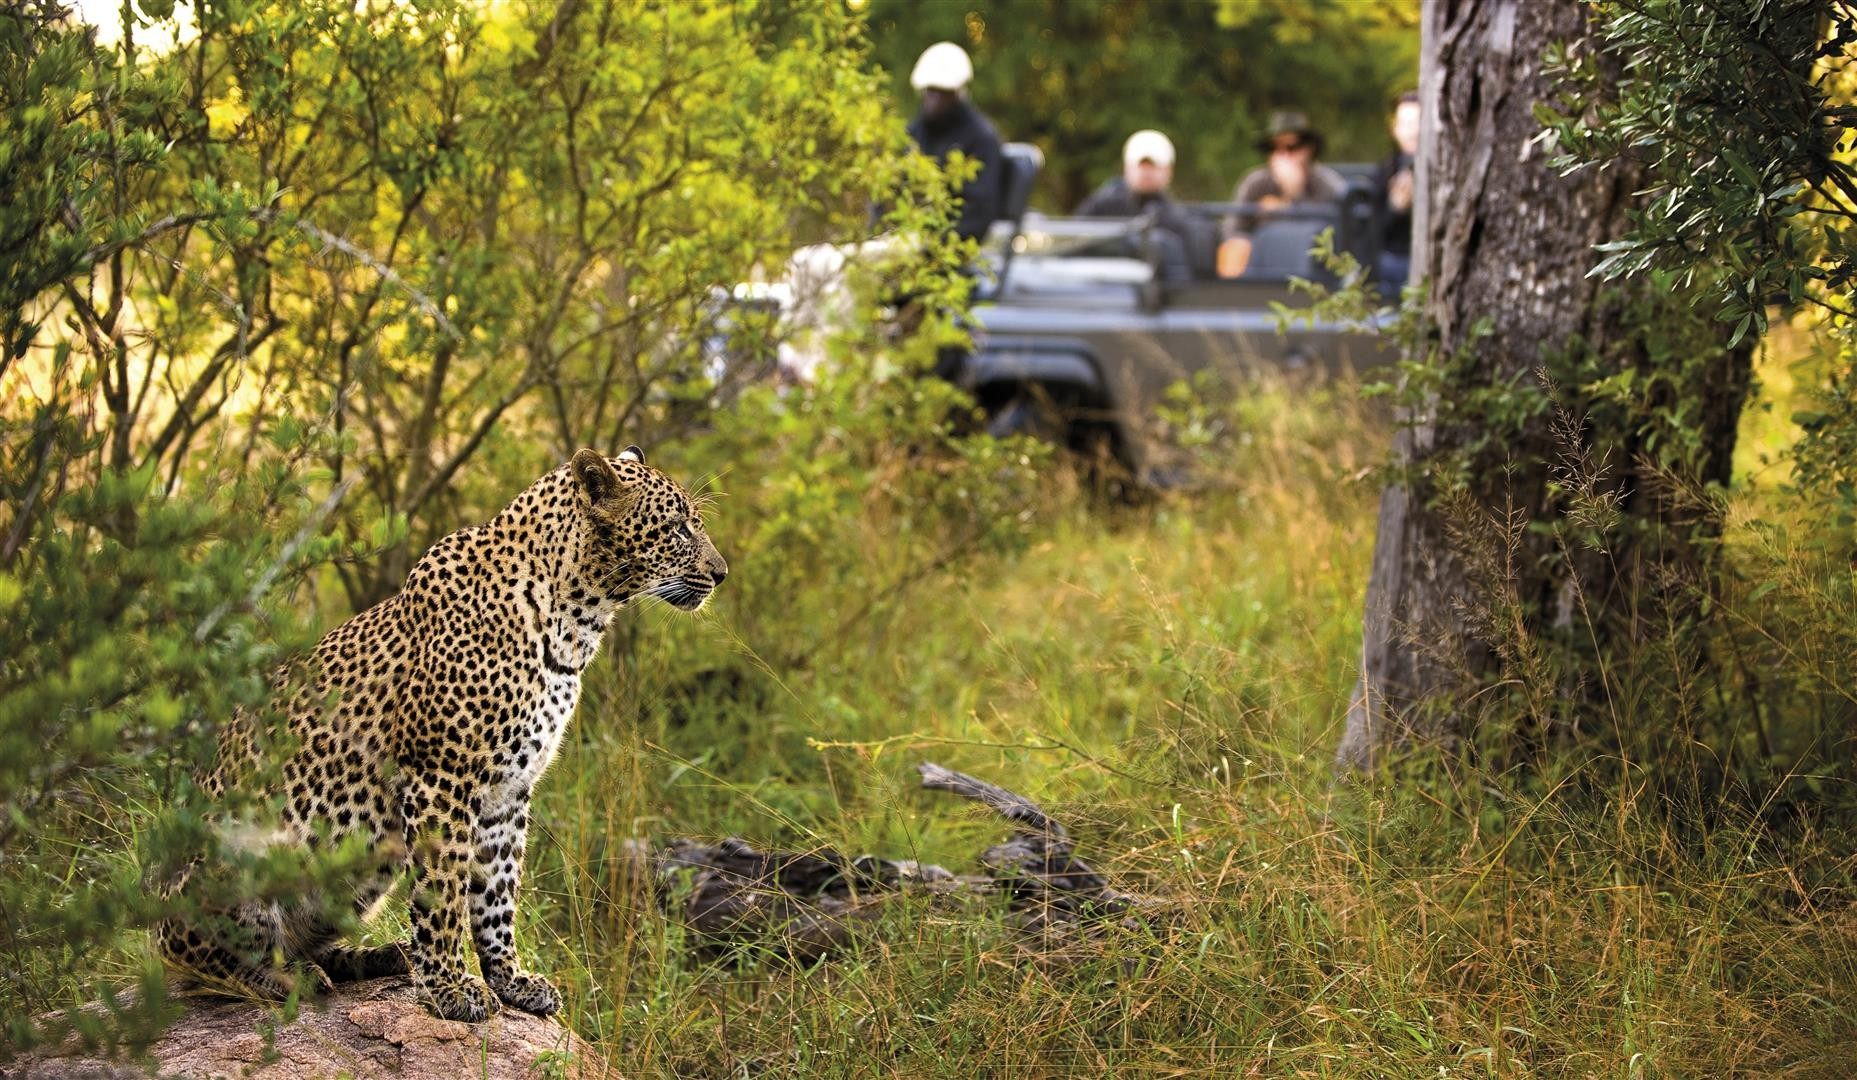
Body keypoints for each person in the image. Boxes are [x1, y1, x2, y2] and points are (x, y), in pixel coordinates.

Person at [1216, 111, 1347, 278]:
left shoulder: (1327, 183)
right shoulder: (1255, 183)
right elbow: (1231, 229)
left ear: (1308, 149)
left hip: (1310, 270)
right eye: (1275, 148)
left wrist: (1292, 200)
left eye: (1291, 148)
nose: (1283, 155)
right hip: (1260, 268)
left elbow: (1334, 233)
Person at [905, 42, 1004, 244]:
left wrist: (931, 244)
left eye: (942, 92)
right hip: (906, 240)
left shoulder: (981, 139)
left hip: (946, 250)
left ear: (959, 92)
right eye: (930, 91)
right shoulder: (914, 133)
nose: (934, 99)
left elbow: (977, 214)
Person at [1074, 129, 1201, 280]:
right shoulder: (1100, 207)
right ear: (1127, 168)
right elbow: (1074, 246)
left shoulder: (1178, 218)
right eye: (1141, 165)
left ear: (1169, 171)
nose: (1146, 173)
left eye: (1153, 166)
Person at [1373, 91, 1421, 289]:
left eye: (1417, 122)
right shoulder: (1384, 172)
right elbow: (1374, 232)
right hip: (1393, 259)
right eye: (1406, 124)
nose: (1412, 131)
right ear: (1395, 129)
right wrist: (1395, 208)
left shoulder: (1447, 170)